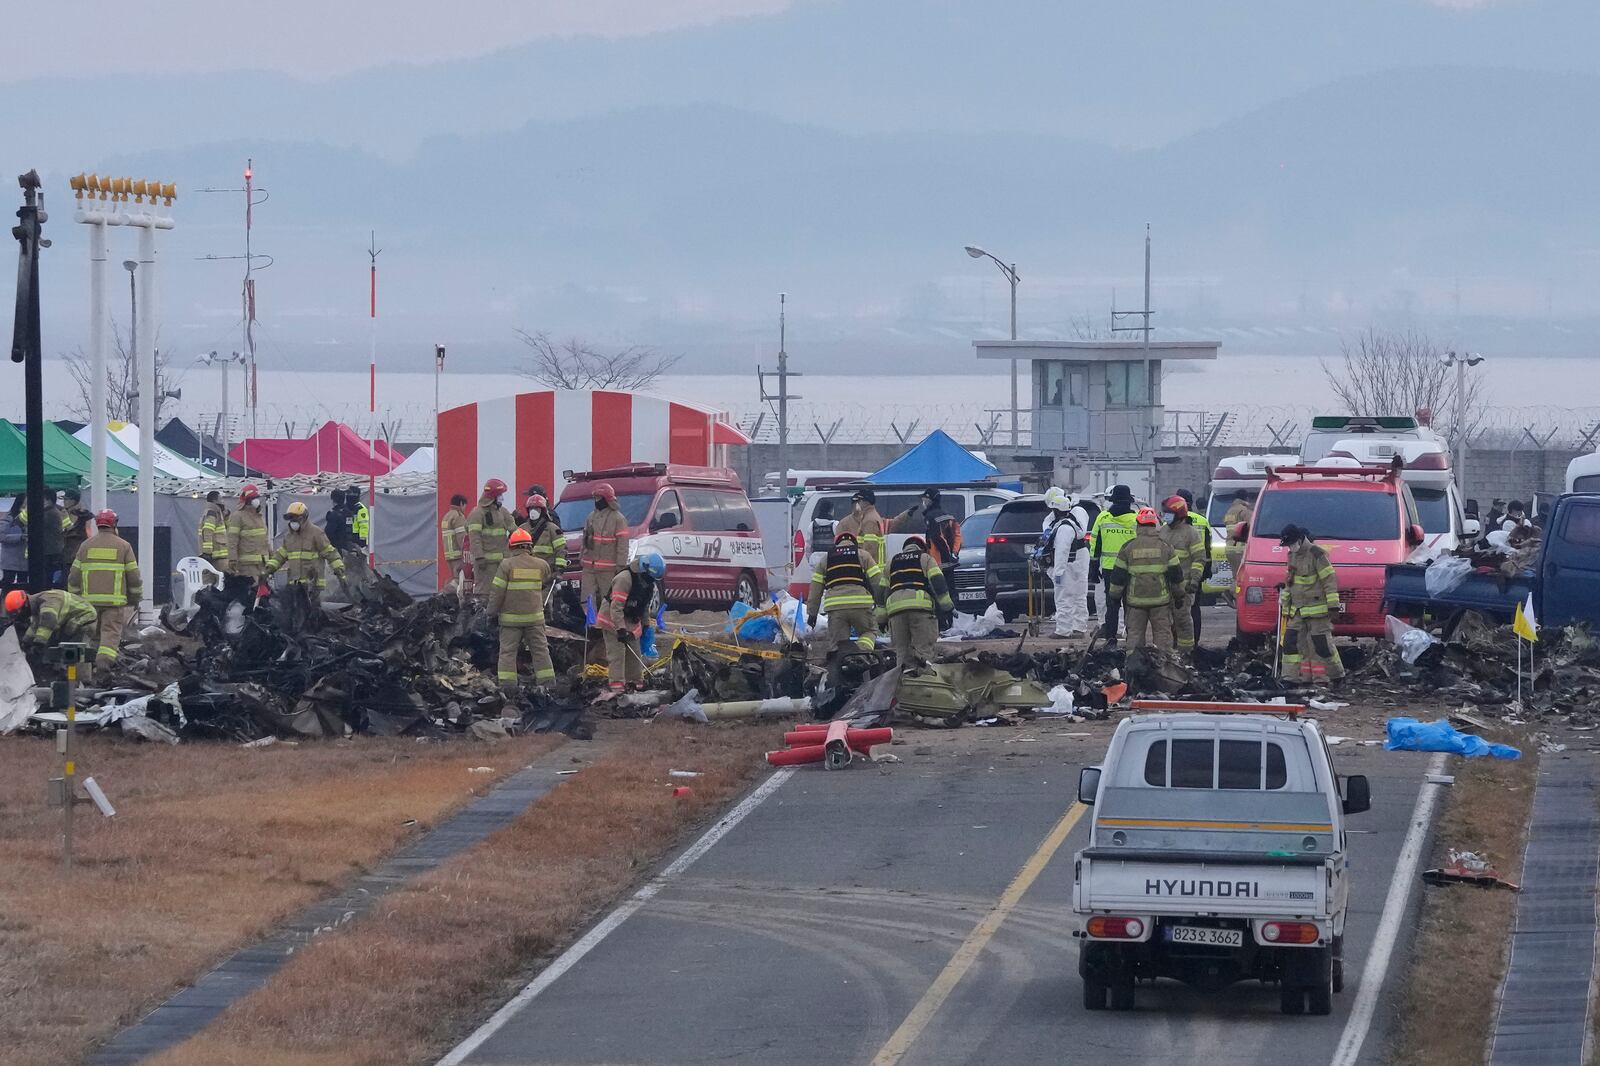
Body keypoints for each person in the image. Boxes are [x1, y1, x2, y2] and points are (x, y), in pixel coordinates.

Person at [67, 508, 141, 679]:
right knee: (109, 636)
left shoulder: (85, 546)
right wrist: (135, 598)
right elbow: (134, 577)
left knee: (93, 636)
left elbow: (74, 576)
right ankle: (103, 666)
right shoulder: (124, 546)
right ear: (114, 524)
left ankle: (87, 671)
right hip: (114, 604)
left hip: (89, 604)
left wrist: (76, 599)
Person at [1103, 506, 1183, 652]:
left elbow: (1118, 576)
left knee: (1134, 636)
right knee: (1163, 637)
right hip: (1161, 601)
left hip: (1135, 602)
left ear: (1138, 525)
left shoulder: (1128, 547)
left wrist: (1114, 596)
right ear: (1155, 525)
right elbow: (1176, 575)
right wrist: (1179, 596)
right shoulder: (1166, 547)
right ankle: (1164, 667)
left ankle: (1135, 669)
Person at [486, 527, 555, 692]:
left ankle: (508, 687)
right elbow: (545, 584)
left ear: (512, 547)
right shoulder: (541, 565)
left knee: (508, 653)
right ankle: (548, 685)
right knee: (540, 651)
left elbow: (497, 593)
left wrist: (491, 613)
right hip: (535, 620)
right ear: (529, 546)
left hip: (510, 621)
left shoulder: (506, 565)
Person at [1279, 524, 1344, 685]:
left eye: (1292, 543)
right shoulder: (1291, 555)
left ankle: (1334, 676)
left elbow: (1329, 581)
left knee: (1321, 646)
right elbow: (1291, 582)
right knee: (1291, 643)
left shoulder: (1317, 554)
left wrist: (1333, 605)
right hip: (1298, 610)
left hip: (1318, 611)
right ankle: (1293, 679)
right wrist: (1284, 604)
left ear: (1300, 539)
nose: (1290, 547)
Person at [806, 530, 884, 657]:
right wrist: (882, 607)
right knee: (869, 632)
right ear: (854, 544)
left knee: (838, 645)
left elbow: (816, 588)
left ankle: (842, 667)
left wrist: (812, 614)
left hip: (835, 608)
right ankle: (860, 652)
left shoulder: (826, 559)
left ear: (837, 544)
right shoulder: (863, 555)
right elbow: (877, 582)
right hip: (861, 605)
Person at [882, 533, 953, 667]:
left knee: (902, 652)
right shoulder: (925, 558)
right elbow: (938, 582)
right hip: (920, 610)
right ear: (922, 548)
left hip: (896, 612)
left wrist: (881, 619)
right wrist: (947, 607)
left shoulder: (891, 562)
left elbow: (882, 592)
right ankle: (925, 683)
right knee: (923, 650)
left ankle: (902, 682)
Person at [600, 547, 665, 693]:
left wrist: (646, 626)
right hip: (611, 617)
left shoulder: (648, 584)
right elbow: (615, 607)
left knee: (634, 652)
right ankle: (617, 688)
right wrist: (620, 629)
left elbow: (644, 606)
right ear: (643, 570)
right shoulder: (624, 579)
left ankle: (635, 684)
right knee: (617, 654)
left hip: (629, 618)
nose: (651, 581)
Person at [262, 500, 346, 612]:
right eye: (291, 520)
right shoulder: (289, 537)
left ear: (304, 517)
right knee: (295, 615)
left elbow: (330, 552)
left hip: (312, 585)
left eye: (296, 519)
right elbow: (280, 556)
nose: (293, 522)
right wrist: (268, 569)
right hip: (294, 584)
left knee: (312, 615)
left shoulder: (316, 533)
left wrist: (339, 568)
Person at [5, 588, 99, 678]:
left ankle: (80, 681)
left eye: (18, 612)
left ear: (25, 605)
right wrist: (26, 642)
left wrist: (39, 643)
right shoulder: (37, 605)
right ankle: (61, 673)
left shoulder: (47, 602)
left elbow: (48, 622)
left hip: (85, 619)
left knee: (77, 651)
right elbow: (35, 626)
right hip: (70, 622)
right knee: (62, 648)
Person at [1088, 485, 1140, 646]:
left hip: (1110, 570)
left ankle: (1111, 640)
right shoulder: (1137, 519)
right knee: (1131, 605)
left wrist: (1094, 566)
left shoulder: (1103, 518)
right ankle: (1132, 639)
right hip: (1132, 569)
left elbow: (1095, 544)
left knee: (1112, 605)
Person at [1041, 486, 1093, 638]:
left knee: (1063, 595)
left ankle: (1063, 630)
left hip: (1069, 561)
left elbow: (1062, 551)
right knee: (1079, 594)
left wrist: (1058, 572)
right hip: (1079, 558)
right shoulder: (1073, 519)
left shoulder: (1064, 527)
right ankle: (1079, 628)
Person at [1160, 495, 1208, 658]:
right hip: (1163, 587)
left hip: (1184, 587)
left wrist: (1194, 580)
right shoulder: (1163, 531)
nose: (1166, 516)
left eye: (1169, 513)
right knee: (1164, 623)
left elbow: (1199, 558)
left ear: (1179, 514)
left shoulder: (1190, 533)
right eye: (1164, 513)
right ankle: (1167, 653)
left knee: (1183, 621)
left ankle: (1187, 653)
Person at [580, 482, 630, 613]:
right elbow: (584, 540)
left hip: (608, 570)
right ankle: (591, 627)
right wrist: (582, 558)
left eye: (598, 498)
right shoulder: (590, 517)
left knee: (607, 600)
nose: (596, 501)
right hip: (589, 568)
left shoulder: (618, 519)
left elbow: (623, 546)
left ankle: (606, 628)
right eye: (595, 499)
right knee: (587, 599)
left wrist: (620, 567)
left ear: (606, 499)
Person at [466, 479, 517, 597]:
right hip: (486, 564)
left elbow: (515, 530)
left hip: (503, 562)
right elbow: (474, 538)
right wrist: (479, 557)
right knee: (485, 594)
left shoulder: (502, 512)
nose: (502, 498)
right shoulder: (477, 513)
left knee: (504, 593)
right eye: (500, 495)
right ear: (493, 497)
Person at [889, 488, 961, 569]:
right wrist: (954, 553)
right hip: (949, 563)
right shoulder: (947, 516)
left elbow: (937, 537)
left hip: (937, 563)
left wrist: (946, 555)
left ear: (930, 500)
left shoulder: (930, 517)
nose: (923, 502)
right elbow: (957, 535)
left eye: (925, 499)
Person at [225, 484, 272, 601]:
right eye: (253, 498)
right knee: (250, 596)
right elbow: (232, 540)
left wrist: (272, 557)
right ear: (247, 500)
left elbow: (264, 539)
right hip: (247, 566)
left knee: (263, 596)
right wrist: (232, 559)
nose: (257, 500)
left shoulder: (259, 516)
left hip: (262, 564)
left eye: (257, 497)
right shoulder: (238, 516)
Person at [20, 491, 66, 588]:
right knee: (46, 578)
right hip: (51, 551)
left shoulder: (49, 513)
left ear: (48, 500)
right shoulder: (54, 511)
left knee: (45, 579)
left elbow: (30, 523)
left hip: (49, 552)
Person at [834, 488, 887, 566]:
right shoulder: (870, 516)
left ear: (864, 501)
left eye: (859, 500)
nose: (858, 503)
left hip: (871, 566)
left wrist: (862, 564)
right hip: (875, 564)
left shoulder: (869, 520)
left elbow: (870, 547)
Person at [521, 493, 568, 572]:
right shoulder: (522, 529)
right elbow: (513, 551)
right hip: (526, 572)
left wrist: (559, 569)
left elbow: (561, 549)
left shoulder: (552, 529)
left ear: (543, 511)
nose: (533, 511)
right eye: (531, 508)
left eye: (536, 509)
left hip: (546, 572)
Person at [1222, 494, 1254, 594]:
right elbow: (1252, 525)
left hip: (1229, 548)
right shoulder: (1244, 510)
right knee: (1243, 577)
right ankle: (1236, 597)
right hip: (1240, 547)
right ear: (1246, 499)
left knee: (1235, 576)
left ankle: (1232, 594)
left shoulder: (1229, 511)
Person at [440, 493, 470, 591]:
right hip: (458, 556)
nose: (465, 508)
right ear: (461, 503)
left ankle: (446, 594)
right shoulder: (458, 516)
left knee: (454, 578)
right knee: (459, 581)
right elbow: (462, 538)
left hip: (449, 556)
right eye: (465, 505)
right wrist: (467, 553)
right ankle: (447, 593)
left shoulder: (446, 517)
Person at [197, 490, 230, 577]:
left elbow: (226, 528)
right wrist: (208, 553)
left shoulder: (217, 512)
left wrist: (226, 514)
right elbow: (207, 532)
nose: (223, 501)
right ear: (215, 501)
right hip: (217, 555)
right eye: (221, 499)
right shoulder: (212, 513)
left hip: (218, 556)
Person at [59, 488, 94, 568]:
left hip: (75, 553)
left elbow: (72, 529)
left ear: (73, 501)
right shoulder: (67, 512)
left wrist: (65, 520)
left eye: (66, 499)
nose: (64, 502)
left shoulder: (80, 514)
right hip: (69, 553)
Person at [0, 497, 26, 593]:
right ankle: (4, 605)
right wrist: (20, 537)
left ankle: (22, 607)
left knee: (23, 586)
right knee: (7, 584)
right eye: (24, 505)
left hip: (24, 560)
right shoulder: (8, 518)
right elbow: (1, 536)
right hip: (10, 560)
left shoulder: (30, 517)